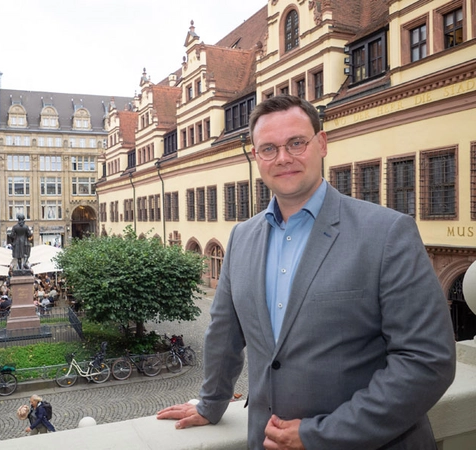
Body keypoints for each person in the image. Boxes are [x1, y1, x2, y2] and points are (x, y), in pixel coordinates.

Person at [157, 95, 456, 449]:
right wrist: (211, 403)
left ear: (322, 144)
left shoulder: (387, 233)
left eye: (296, 142)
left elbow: (427, 362)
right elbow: (225, 334)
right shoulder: (242, 237)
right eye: (268, 148)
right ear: (257, 157)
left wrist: (322, 434)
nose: (283, 158)